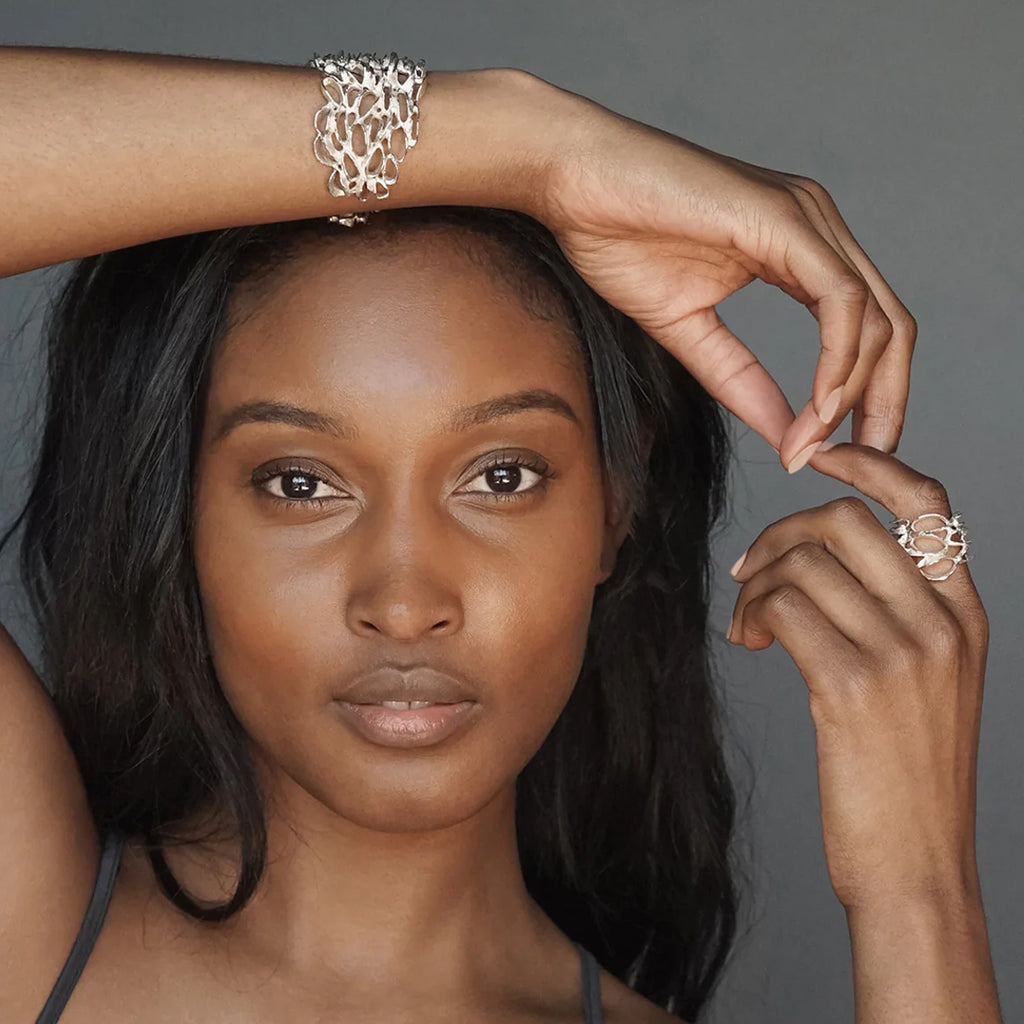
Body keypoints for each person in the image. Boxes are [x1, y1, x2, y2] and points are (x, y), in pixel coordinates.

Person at [0, 46, 1002, 1024]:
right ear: (179, 512)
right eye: (301, 482)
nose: (403, 602)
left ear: (617, 505)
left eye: (501, 476)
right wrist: (526, 140)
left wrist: (918, 893)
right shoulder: (29, 935)